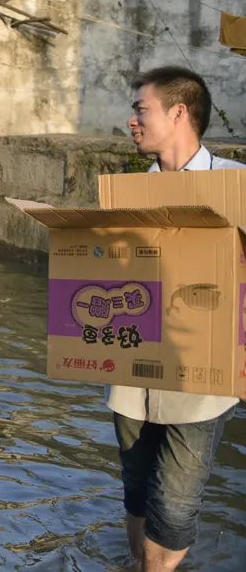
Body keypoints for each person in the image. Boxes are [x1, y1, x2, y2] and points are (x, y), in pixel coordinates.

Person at [115, 66, 243, 571]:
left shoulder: (238, 186)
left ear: (178, 112)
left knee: (174, 506)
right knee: (136, 493)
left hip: (203, 381)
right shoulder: (127, 194)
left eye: (140, 109)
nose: (131, 121)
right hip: (130, 376)